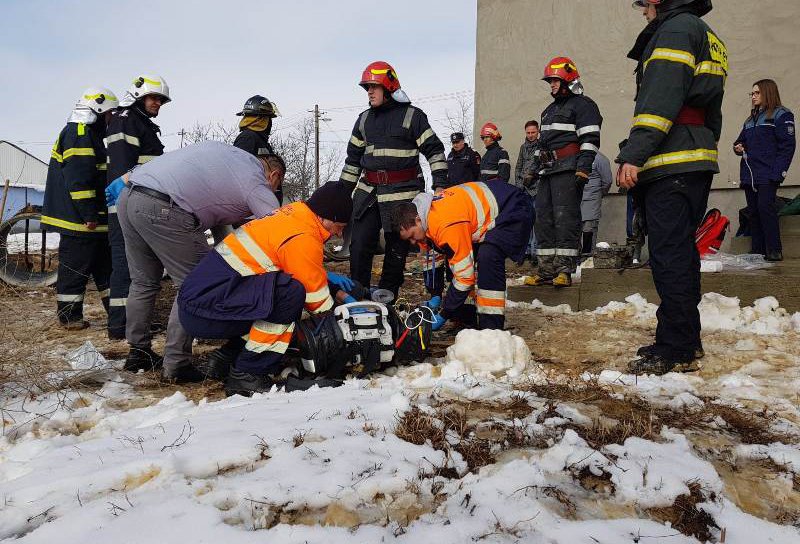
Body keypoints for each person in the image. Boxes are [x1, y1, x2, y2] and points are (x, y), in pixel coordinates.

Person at [107, 142, 285, 383]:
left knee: (143, 282)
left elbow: (224, 228)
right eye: (276, 186)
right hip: (165, 207)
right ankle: (177, 364)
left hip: (129, 197)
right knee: (194, 285)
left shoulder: (229, 159)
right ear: (274, 175)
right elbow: (279, 230)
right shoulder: (255, 179)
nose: (273, 191)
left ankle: (138, 352)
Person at [618, 0, 726, 375]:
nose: (643, 10)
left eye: (645, 4)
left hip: (671, 162)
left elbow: (659, 100)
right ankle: (685, 338)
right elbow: (712, 114)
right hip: (691, 158)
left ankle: (675, 346)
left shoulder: (675, 30)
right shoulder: (705, 34)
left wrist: (634, 153)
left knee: (669, 255)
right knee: (681, 253)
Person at [177, 181, 353, 396]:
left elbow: (296, 268)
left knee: (274, 293)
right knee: (289, 295)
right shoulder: (303, 237)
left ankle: (227, 358)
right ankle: (249, 374)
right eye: (340, 228)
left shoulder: (293, 216)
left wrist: (334, 288)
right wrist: (340, 327)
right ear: (328, 218)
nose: (338, 235)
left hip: (200, 302)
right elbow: (316, 301)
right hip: (206, 311)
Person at [339, 61, 448, 298]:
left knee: (396, 247)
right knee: (359, 244)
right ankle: (357, 295)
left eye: (374, 86)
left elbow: (435, 151)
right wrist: (340, 195)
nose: (369, 91)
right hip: (368, 192)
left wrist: (440, 184)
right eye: (366, 87)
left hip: (403, 193)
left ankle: (387, 296)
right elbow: (352, 161)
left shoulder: (413, 116)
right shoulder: (364, 120)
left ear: (388, 87)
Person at [391, 180, 533, 331]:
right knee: (459, 260)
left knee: (488, 256)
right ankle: (466, 317)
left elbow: (465, 276)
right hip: (497, 204)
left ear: (418, 220)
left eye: (412, 236)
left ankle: (491, 329)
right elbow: (438, 256)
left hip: (513, 208)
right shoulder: (426, 216)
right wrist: (435, 294)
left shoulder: (445, 224)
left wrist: (444, 314)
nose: (413, 242)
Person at [42, 87, 119, 330]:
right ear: (96, 110)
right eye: (109, 113)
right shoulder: (79, 132)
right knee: (75, 272)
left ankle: (118, 317)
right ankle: (69, 318)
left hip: (93, 221)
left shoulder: (90, 135)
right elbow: (79, 179)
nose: (111, 119)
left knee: (107, 272)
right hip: (80, 222)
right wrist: (89, 214)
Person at [525, 57, 602, 288]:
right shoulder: (548, 111)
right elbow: (542, 146)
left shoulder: (584, 105)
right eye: (550, 81)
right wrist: (532, 169)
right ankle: (546, 270)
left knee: (565, 219)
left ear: (568, 79)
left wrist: (583, 168)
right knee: (544, 220)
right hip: (547, 172)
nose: (551, 85)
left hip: (569, 169)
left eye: (555, 80)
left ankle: (564, 270)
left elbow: (590, 139)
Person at [105, 74, 171, 340]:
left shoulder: (141, 123)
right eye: (154, 98)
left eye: (161, 100)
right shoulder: (125, 121)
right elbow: (124, 168)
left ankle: (133, 323)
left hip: (139, 204)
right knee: (126, 266)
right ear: (138, 96)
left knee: (139, 267)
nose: (158, 104)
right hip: (127, 205)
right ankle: (120, 326)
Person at [733, 79, 796, 261]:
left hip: (768, 173)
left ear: (767, 92)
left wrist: (778, 173)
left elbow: (787, 146)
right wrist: (738, 146)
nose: (753, 97)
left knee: (765, 208)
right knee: (753, 211)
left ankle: (774, 250)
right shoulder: (750, 119)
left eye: (756, 93)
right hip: (750, 174)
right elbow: (740, 141)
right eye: (751, 94)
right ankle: (758, 251)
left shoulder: (781, 115)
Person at [515, 120, 541, 261]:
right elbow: (518, 167)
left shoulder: (542, 146)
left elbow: (543, 166)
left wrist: (535, 179)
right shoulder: (523, 147)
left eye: (533, 132)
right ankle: (525, 250)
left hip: (537, 190)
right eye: (528, 132)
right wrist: (519, 184)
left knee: (536, 221)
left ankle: (535, 251)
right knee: (525, 221)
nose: (530, 135)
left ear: (538, 132)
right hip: (524, 191)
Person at [580, 151, 613, 257]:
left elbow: (607, 181)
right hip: (577, 199)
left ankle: (587, 258)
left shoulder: (600, 159)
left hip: (592, 199)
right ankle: (578, 259)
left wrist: (599, 193)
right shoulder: (578, 156)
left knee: (588, 229)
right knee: (578, 230)